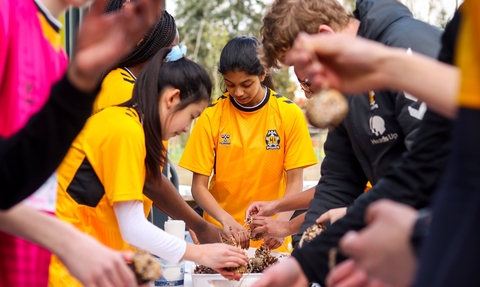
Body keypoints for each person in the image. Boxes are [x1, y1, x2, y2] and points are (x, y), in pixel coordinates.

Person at [252, 5, 461, 287]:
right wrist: (305, 260)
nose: (306, 85)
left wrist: (357, 217)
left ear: (324, 37)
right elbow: (339, 178)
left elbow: (437, 167)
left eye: (300, 70)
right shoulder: (346, 83)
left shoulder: (406, 45)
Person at [49, 47, 248, 286]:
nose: (187, 129)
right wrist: (203, 253)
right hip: (64, 271)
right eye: (192, 116)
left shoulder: (130, 127)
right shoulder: (125, 130)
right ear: (172, 98)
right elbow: (132, 226)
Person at [0, 0, 161, 286]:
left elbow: (14, 181)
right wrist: (69, 242)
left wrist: (78, 83)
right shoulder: (6, 17)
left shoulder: (58, 56)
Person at [92, 1, 225, 244]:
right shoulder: (124, 93)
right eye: (173, 52)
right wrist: (199, 225)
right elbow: (149, 178)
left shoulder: (132, 89)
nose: (176, 61)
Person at [178, 36, 318, 252]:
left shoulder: (288, 114)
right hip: (221, 238)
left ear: (262, 74)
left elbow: (294, 181)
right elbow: (198, 187)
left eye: (246, 84)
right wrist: (225, 221)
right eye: (230, 84)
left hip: (270, 242)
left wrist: (281, 225)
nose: (238, 92)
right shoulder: (211, 116)